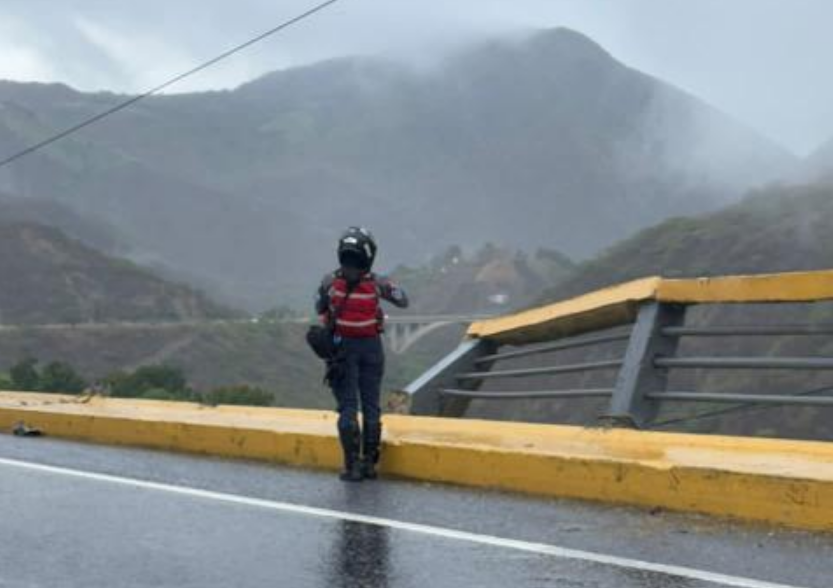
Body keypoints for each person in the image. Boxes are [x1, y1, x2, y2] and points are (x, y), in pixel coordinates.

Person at [315, 227, 409, 482]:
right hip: (371, 347)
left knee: (347, 406)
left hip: (342, 349)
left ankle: (351, 466)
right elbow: (403, 300)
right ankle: (369, 463)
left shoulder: (329, 282)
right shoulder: (377, 283)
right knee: (371, 405)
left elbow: (318, 305)